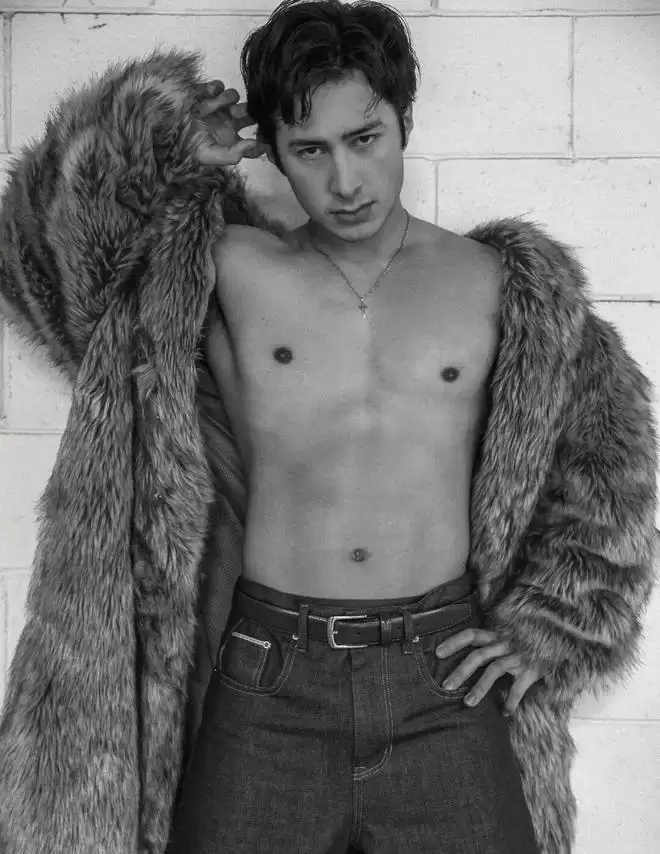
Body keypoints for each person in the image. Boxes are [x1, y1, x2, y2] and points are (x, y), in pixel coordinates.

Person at [0, 2, 656, 853]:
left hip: (444, 678)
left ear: (403, 121)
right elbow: (45, 266)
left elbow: (610, 462)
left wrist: (555, 627)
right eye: (310, 150)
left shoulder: (499, 283)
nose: (346, 181)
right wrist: (160, 147)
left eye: (365, 138)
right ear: (272, 151)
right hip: (268, 675)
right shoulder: (228, 269)